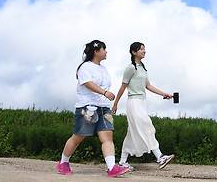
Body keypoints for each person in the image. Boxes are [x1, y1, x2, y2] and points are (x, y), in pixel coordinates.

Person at [56, 40, 129, 178]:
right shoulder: (85, 67)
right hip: (87, 107)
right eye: (104, 49)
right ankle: (63, 163)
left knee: (107, 137)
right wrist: (104, 92)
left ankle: (112, 167)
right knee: (78, 137)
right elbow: (87, 83)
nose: (106, 52)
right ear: (96, 51)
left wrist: (106, 96)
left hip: (104, 109)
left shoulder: (103, 69)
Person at [112, 42, 175, 170]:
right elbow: (123, 87)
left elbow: (148, 86)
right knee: (147, 126)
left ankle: (122, 162)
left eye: (144, 49)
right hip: (133, 102)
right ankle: (160, 156)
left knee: (132, 132)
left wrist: (165, 94)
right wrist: (116, 103)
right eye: (141, 49)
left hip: (141, 102)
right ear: (134, 52)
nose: (144, 51)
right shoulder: (130, 68)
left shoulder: (143, 68)